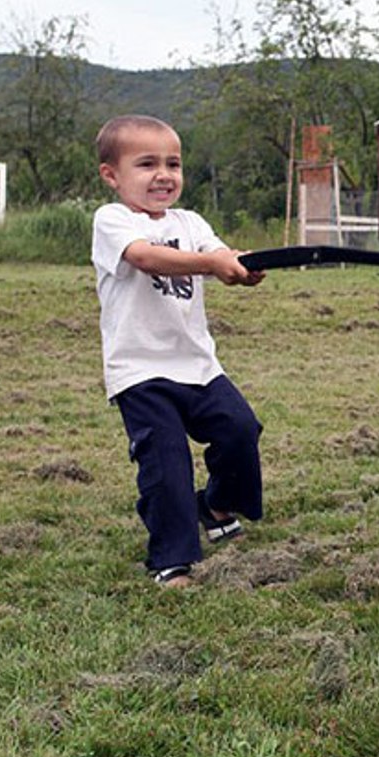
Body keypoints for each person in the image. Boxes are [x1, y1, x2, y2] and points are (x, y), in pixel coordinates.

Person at [91, 114, 267, 587]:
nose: (164, 175)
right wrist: (211, 263)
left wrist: (244, 267)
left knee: (240, 429)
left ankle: (216, 504)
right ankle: (172, 559)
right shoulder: (112, 220)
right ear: (111, 175)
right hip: (141, 372)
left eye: (173, 164)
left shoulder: (191, 223)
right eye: (147, 164)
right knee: (166, 462)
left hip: (198, 365)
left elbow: (221, 256)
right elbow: (145, 257)